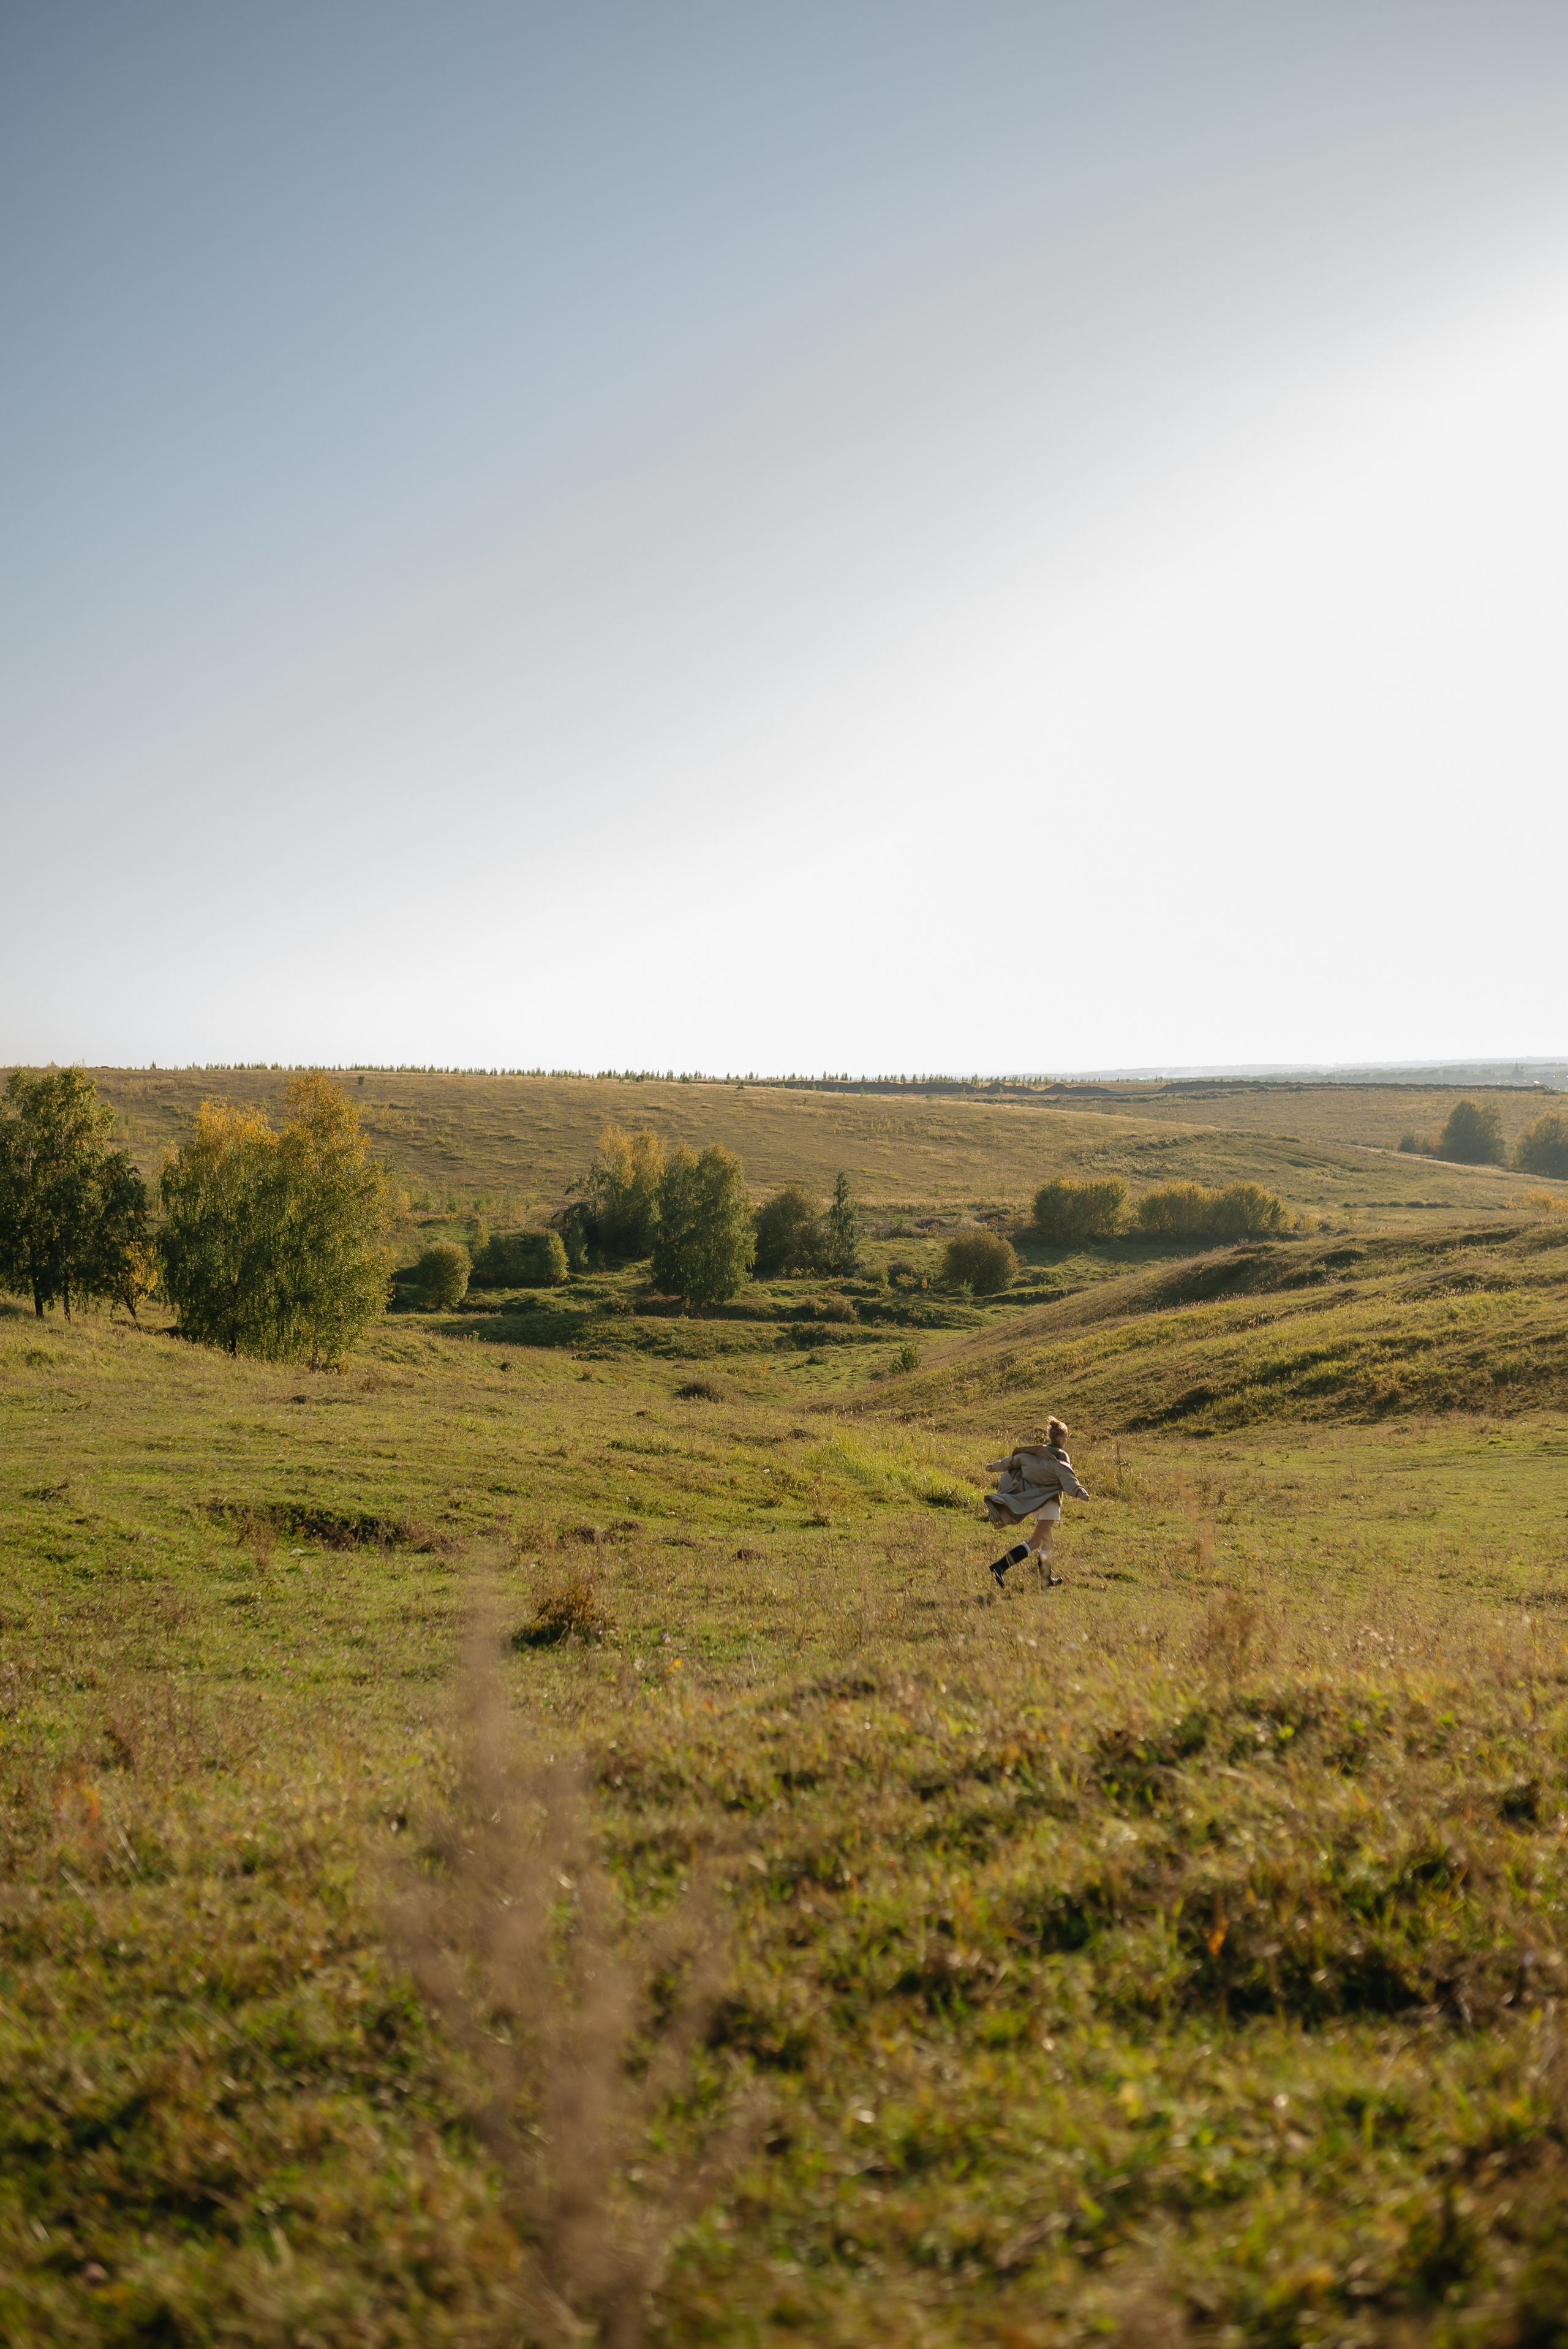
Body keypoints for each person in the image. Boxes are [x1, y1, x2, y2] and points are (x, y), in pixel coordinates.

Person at [982, 1417, 1089, 1590]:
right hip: (1050, 1503)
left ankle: (1046, 1579)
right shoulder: (1062, 1456)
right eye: (1066, 1438)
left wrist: (993, 1467)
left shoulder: (1036, 1453)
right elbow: (1067, 1476)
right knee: (1035, 1542)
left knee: (1048, 1540)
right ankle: (1001, 1566)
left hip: (1034, 1501)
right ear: (1061, 1438)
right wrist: (1080, 1492)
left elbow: (1010, 1462)